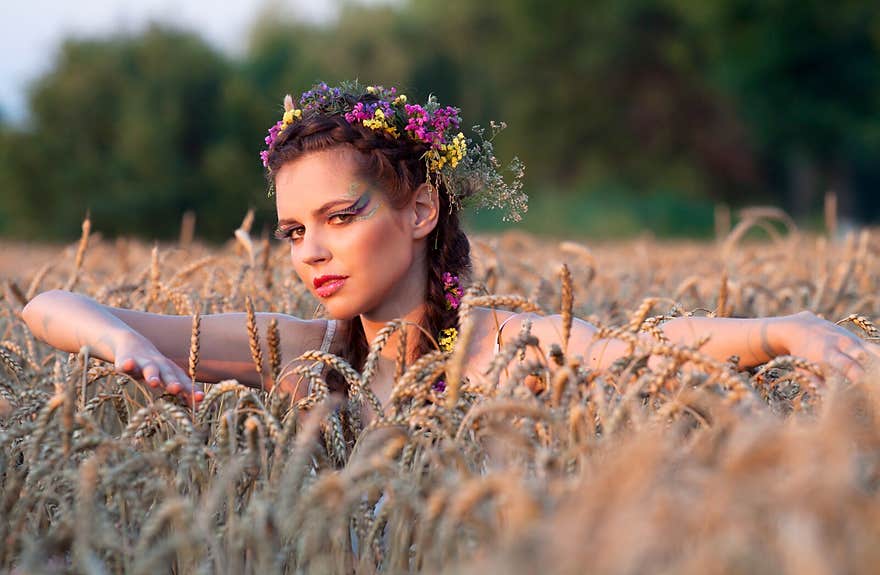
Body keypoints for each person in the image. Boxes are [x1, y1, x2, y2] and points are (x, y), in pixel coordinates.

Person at [21, 81, 880, 429]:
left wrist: (782, 329)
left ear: (421, 207)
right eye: (291, 231)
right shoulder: (293, 346)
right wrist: (125, 344)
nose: (312, 251)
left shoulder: (497, 342)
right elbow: (46, 305)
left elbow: (645, 343)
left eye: (340, 215)